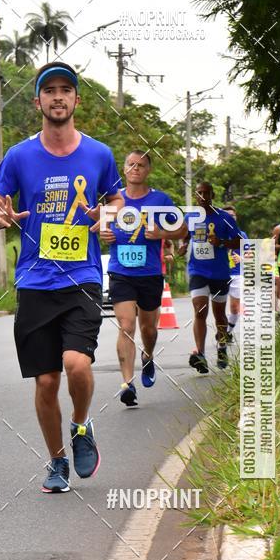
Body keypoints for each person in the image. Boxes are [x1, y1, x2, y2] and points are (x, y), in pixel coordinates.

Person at [0, 62, 123, 494]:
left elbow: (117, 200)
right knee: (46, 380)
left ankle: (81, 426)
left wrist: (109, 214)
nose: (58, 97)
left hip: (82, 275)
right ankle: (56, 460)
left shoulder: (99, 153)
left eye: (66, 90)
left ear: (77, 100)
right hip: (34, 279)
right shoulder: (20, 155)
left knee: (76, 363)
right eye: (50, 91)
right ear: (38, 101)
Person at [101, 150, 176, 407]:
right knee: (126, 326)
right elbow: (100, 226)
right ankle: (127, 383)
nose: (135, 168)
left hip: (150, 273)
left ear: (148, 170)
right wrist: (105, 234)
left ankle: (148, 355)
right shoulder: (114, 199)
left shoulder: (160, 200)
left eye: (141, 165)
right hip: (121, 272)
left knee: (148, 329)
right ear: (124, 169)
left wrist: (162, 232)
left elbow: (183, 229)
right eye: (131, 164)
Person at [179, 182, 241, 373]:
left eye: (206, 193)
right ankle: (201, 354)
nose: (203, 196)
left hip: (220, 272)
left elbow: (239, 240)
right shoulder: (190, 217)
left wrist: (221, 242)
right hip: (197, 271)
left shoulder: (224, 217)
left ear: (212, 194)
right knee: (199, 310)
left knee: (219, 315)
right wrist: (182, 245)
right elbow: (184, 236)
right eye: (200, 193)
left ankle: (222, 347)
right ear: (196, 195)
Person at [222, 205, 249, 339]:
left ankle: (228, 332)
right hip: (219, 275)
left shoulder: (242, 235)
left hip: (237, 274)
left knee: (234, 307)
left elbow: (250, 255)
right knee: (218, 308)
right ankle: (221, 333)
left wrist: (241, 258)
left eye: (232, 215)